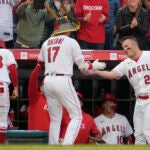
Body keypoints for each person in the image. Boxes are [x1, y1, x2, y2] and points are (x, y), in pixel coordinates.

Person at [37, 15, 106, 145]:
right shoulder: (71, 42)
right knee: (77, 115)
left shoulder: (47, 42)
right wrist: (94, 66)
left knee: (55, 119)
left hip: (48, 80)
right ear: (67, 29)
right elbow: (83, 66)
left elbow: (40, 63)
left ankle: (53, 146)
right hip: (62, 79)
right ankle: (67, 145)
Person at [82, 35, 150, 144]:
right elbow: (112, 74)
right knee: (139, 134)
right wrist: (95, 71)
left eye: (127, 47)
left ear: (134, 44)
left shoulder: (148, 55)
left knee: (148, 132)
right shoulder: (126, 63)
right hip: (139, 101)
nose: (125, 50)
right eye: (123, 48)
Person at [0, 39, 19, 143]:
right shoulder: (7, 52)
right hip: (2, 86)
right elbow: (12, 69)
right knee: (2, 121)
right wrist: (15, 87)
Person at [28, 64, 50, 131]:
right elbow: (33, 78)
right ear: (40, 88)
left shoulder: (57, 101)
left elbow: (64, 123)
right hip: (35, 138)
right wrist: (39, 65)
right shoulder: (36, 97)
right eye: (45, 84)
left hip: (51, 139)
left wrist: (62, 136)